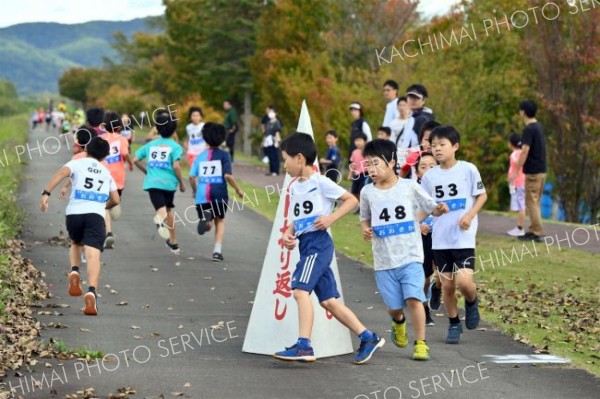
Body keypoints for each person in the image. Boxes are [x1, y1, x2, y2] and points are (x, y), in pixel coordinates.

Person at [273, 133, 384, 364]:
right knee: (328, 301)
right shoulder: (294, 187)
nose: (284, 164)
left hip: (318, 244)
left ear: (300, 158)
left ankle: (304, 346)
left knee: (300, 291)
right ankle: (368, 337)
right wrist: (288, 233)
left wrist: (331, 218)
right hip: (305, 244)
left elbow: (351, 200)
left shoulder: (320, 182)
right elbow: (298, 218)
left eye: (286, 159)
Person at [360, 139, 448, 361]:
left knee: (414, 299)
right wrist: (366, 230)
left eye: (376, 163)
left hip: (410, 257)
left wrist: (439, 209)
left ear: (391, 162)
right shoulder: (367, 192)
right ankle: (398, 321)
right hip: (383, 261)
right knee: (394, 307)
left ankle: (420, 343)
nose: (371, 169)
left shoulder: (409, 187)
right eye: (368, 164)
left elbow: (431, 208)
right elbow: (364, 218)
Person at [420, 126, 487, 344]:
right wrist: (416, 221)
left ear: (455, 146)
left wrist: (469, 215)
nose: (437, 149)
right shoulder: (429, 177)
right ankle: (454, 323)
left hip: (463, 237)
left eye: (442, 145)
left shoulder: (468, 169)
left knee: (465, 283)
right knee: (447, 285)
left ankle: (471, 300)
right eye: (434, 145)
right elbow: (425, 206)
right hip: (440, 240)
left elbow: (482, 196)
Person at [40, 137, 120, 316]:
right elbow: (116, 199)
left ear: (87, 150)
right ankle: (91, 291)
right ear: (105, 156)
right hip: (95, 215)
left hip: (74, 213)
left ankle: (74, 270)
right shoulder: (106, 172)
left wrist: (46, 193)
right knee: (93, 254)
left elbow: (61, 173)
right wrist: (102, 206)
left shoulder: (78, 162)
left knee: (76, 243)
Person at [189, 123, 244, 262]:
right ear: (222, 138)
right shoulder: (224, 155)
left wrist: (194, 191)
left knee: (208, 224)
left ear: (205, 138)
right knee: (219, 220)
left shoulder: (200, 156)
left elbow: (191, 176)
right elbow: (228, 176)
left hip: (202, 196)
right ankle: (217, 252)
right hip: (219, 193)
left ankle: (206, 222)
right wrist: (238, 189)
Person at [133, 112, 186, 254]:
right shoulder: (175, 147)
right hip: (169, 184)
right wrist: (181, 183)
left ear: (157, 127)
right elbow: (176, 166)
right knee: (168, 210)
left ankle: (160, 221)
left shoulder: (151, 145)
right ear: (174, 130)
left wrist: (147, 172)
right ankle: (173, 242)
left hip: (153, 183)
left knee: (161, 209)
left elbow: (135, 160)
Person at [511, 100, 547, 243]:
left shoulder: (529, 129)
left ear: (523, 112)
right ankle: (533, 229)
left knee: (531, 201)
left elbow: (524, 151)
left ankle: (536, 232)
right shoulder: (539, 126)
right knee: (535, 201)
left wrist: (516, 169)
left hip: (533, 171)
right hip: (542, 170)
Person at [99, 111, 134, 249]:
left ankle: (108, 232)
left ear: (104, 125)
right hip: (118, 176)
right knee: (112, 202)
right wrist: (130, 163)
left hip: (103, 175)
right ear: (119, 127)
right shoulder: (122, 139)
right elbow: (125, 154)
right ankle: (115, 204)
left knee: (103, 205)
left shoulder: (100, 138)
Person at [415, 152, 440, 325]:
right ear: (417, 173)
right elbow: (406, 216)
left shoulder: (443, 188)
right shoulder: (411, 190)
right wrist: (418, 226)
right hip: (423, 237)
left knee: (446, 276)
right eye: (423, 167)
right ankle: (424, 308)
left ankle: (436, 289)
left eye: (432, 166)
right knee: (424, 278)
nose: (428, 169)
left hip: (443, 236)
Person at [506, 133, 526, 237]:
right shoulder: (523, 153)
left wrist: (510, 179)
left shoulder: (514, 154)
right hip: (524, 181)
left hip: (518, 182)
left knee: (521, 206)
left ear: (510, 144)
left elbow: (513, 168)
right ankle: (520, 227)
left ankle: (520, 228)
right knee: (521, 205)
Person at [348, 132, 368, 204]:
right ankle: (360, 206)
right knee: (354, 191)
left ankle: (362, 207)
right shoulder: (354, 152)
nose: (357, 143)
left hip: (365, 174)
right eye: (356, 141)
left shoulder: (367, 151)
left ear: (365, 141)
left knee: (361, 191)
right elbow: (353, 164)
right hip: (356, 174)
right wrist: (350, 174)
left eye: (360, 140)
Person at [263, 107, 282, 176]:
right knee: (270, 156)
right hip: (268, 142)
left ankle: (276, 171)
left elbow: (277, 132)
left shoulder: (277, 122)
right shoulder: (268, 122)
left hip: (274, 141)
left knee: (275, 156)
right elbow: (266, 133)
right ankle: (271, 170)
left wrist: (276, 142)